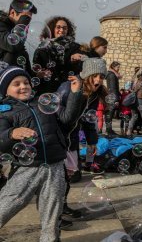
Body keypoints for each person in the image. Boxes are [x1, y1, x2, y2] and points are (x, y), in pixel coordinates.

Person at [0, 65, 83, 242]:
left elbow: (67, 119)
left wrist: (75, 94)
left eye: (26, 82)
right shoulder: (5, 111)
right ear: (5, 89)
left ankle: (50, 239)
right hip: (27, 167)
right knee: (8, 203)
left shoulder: (42, 102)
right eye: (16, 84)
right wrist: (11, 133)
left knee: (52, 209)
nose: (23, 86)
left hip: (55, 165)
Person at [57, 58, 107, 222]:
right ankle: (54, 214)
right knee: (57, 178)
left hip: (71, 140)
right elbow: (60, 117)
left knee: (67, 177)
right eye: (95, 76)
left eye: (101, 76)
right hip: (57, 139)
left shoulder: (94, 94)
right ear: (86, 75)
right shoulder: (67, 88)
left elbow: (89, 119)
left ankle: (61, 206)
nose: (98, 80)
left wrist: (92, 141)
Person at [33, 16, 87, 95]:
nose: (61, 30)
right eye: (58, 27)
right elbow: (36, 66)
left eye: (64, 28)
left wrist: (73, 60)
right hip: (47, 90)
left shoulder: (75, 47)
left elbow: (81, 66)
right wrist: (39, 74)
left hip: (68, 90)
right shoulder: (43, 47)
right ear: (52, 29)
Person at [0, 0, 37, 74]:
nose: (27, 23)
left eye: (29, 19)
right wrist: (22, 24)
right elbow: (13, 46)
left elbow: (21, 53)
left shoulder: (15, 29)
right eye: (25, 18)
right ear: (12, 13)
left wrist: (32, 74)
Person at [127, 69, 142, 137]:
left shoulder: (137, 79)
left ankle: (129, 131)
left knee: (134, 116)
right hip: (141, 99)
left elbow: (131, 88)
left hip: (133, 100)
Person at [105, 61, 122, 137]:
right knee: (110, 113)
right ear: (113, 67)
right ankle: (109, 131)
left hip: (111, 96)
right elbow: (113, 88)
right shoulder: (112, 75)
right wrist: (116, 100)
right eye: (118, 67)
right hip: (112, 97)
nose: (118, 69)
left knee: (110, 114)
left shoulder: (111, 74)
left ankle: (109, 130)